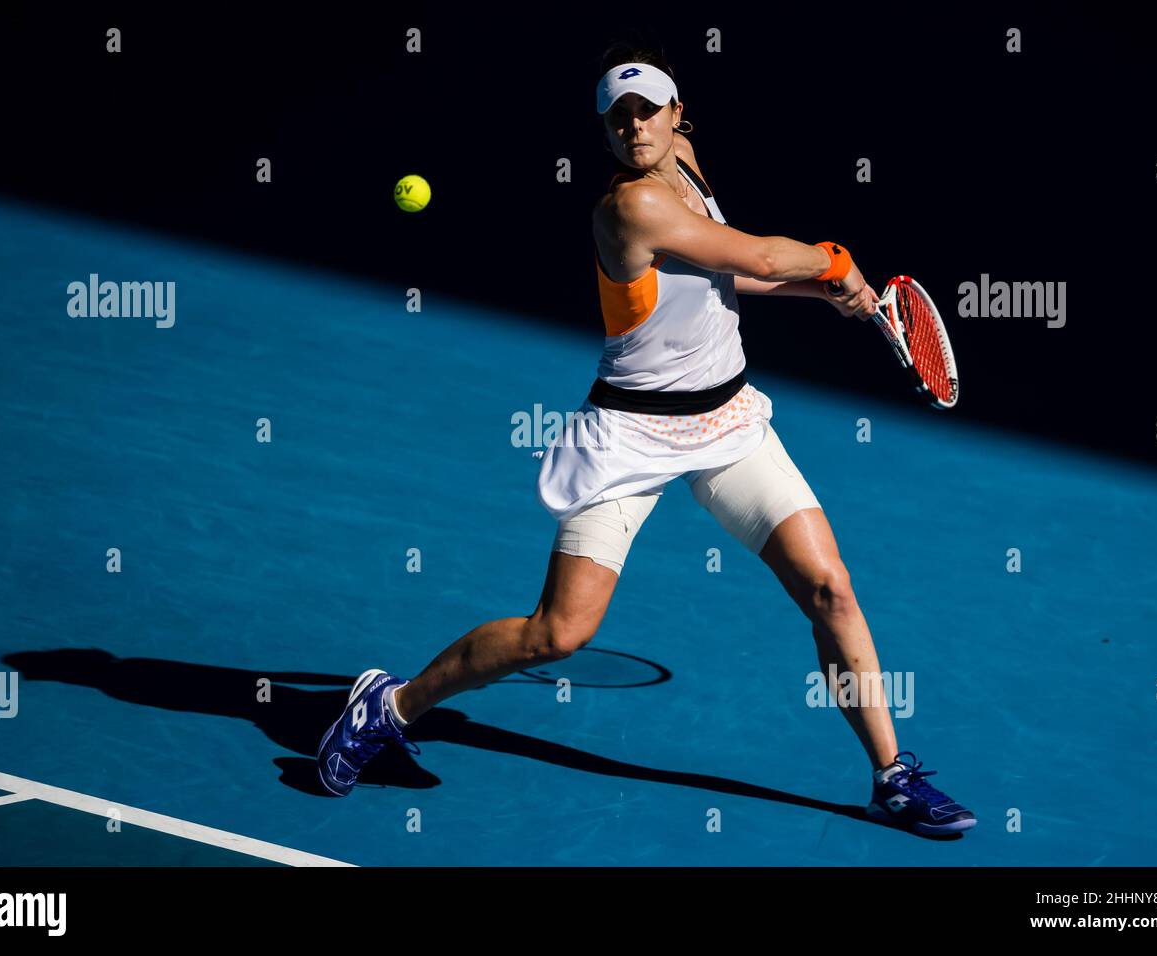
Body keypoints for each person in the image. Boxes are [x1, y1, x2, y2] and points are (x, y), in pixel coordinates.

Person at [317, 42, 976, 838]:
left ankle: (891, 777)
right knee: (559, 633)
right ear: (605, 132)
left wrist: (825, 293)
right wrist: (836, 261)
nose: (634, 129)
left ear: (676, 115)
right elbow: (765, 251)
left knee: (830, 588)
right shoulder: (627, 208)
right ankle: (389, 704)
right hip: (628, 437)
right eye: (617, 117)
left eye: (646, 112)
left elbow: (734, 275)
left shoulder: (686, 166)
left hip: (727, 423)